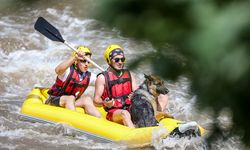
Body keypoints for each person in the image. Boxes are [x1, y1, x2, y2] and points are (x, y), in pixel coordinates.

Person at [94, 44, 169, 128]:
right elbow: (96, 100)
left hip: (130, 107)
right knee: (124, 113)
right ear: (109, 60)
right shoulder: (102, 78)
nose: (120, 62)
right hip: (114, 111)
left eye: (122, 59)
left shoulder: (129, 74)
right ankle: (134, 133)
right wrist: (105, 103)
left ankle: (161, 121)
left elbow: (137, 92)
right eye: (117, 60)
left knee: (163, 97)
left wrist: (134, 95)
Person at [45, 46, 101, 118]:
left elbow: (103, 82)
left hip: (71, 102)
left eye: (88, 62)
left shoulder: (89, 76)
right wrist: (75, 57)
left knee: (87, 99)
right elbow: (57, 70)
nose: (86, 64)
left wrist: (110, 76)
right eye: (83, 61)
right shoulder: (67, 71)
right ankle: (74, 122)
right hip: (54, 99)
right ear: (76, 61)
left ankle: (98, 120)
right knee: (70, 98)